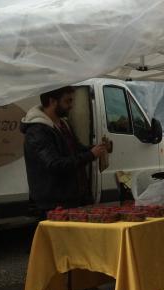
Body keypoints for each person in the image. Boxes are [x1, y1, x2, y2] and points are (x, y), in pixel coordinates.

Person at [21, 86, 108, 214]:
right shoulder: (38, 130)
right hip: (53, 203)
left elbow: (77, 149)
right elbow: (54, 165)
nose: (71, 106)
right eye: (67, 101)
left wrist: (97, 149)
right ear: (52, 101)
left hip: (71, 199)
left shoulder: (63, 124)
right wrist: (91, 154)